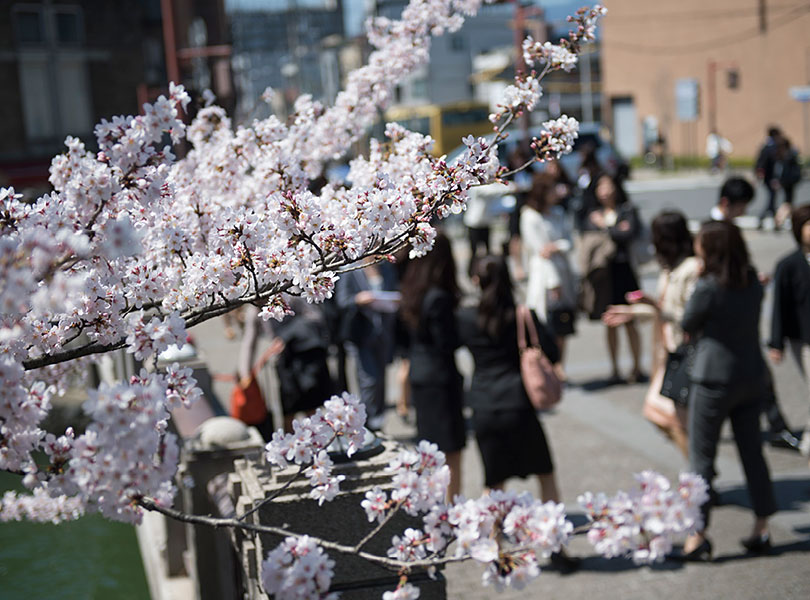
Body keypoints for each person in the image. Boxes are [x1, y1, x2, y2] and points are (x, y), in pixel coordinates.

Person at [457, 255, 579, 573]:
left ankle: (496, 551)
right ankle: (556, 546)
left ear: (476, 282)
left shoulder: (466, 318)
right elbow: (550, 351)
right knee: (545, 475)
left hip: (484, 404)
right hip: (519, 404)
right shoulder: (522, 315)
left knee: (493, 484)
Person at [678, 220, 777, 560]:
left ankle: (698, 535)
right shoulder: (752, 280)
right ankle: (762, 528)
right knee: (753, 453)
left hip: (713, 378)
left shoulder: (707, 287)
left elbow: (687, 323)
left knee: (701, 459)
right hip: (751, 374)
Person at [709, 177, 799, 450]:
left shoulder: (723, 228)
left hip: (738, 318)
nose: (745, 212)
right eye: (742, 206)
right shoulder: (711, 231)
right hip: (725, 322)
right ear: (727, 203)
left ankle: (776, 426)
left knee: (758, 374)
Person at [603, 211, 698, 457]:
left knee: (671, 418)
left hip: (685, 353)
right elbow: (663, 309)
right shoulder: (671, 268)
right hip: (669, 354)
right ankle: (700, 471)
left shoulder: (690, 269)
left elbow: (690, 317)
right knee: (665, 416)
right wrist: (632, 312)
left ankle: (701, 476)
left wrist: (654, 306)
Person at [399, 232, 466, 500]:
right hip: (440, 376)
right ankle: (450, 504)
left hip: (420, 372)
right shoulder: (439, 297)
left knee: (428, 447)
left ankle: (431, 502)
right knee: (450, 449)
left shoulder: (412, 290)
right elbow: (447, 342)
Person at [582, 173, 644, 384]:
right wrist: (615, 230)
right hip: (604, 274)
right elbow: (590, 238)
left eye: (609, 185)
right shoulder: (592, 214)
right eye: (601, 186)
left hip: (624, 270)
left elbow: (628, 234)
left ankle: (636, 367)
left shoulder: (627, 210)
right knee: (609, 321)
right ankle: (615, 369)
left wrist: (606, 228)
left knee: (630, 319)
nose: (606, 190)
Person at [520, 172, 577, 379]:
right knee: (543, 321)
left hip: (563, 271)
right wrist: (553, 281)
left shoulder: (559, 213)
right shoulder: (530, 215)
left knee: (562, 320)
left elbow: (569, 242)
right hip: (543, 276)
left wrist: (557, 246)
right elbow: (540, 250)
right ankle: (546, 365)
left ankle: (560, 364)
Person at [335, 260, 399, 432]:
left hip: (383, 333)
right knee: (368, 380)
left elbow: (395, 292)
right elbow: (342, 300)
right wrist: (359, 299)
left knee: (381, 380)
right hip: (361, 334)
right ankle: (367, 423)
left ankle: (378, 421)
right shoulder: (351, 269)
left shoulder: (386, 267)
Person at [768, 204, 810, 463]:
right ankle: (808, 444)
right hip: (804, 340)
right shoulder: (788, 265)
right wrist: (776, 342)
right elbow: (778, 307)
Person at [754, 127, 782, 229]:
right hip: (770, 178)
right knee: (772, 198)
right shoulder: (770, 147)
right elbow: (765, 163)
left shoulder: (767, 146)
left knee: (772, 198)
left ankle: (773, 222)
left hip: (769, 178)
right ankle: (771, 221)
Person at [772, 137, 802, 228]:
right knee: (788, 202)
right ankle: (779, 219)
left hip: (786, 182)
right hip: (789, 181)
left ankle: (781, 219)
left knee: (788, 201)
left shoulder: (783, 155)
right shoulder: (790, 156)